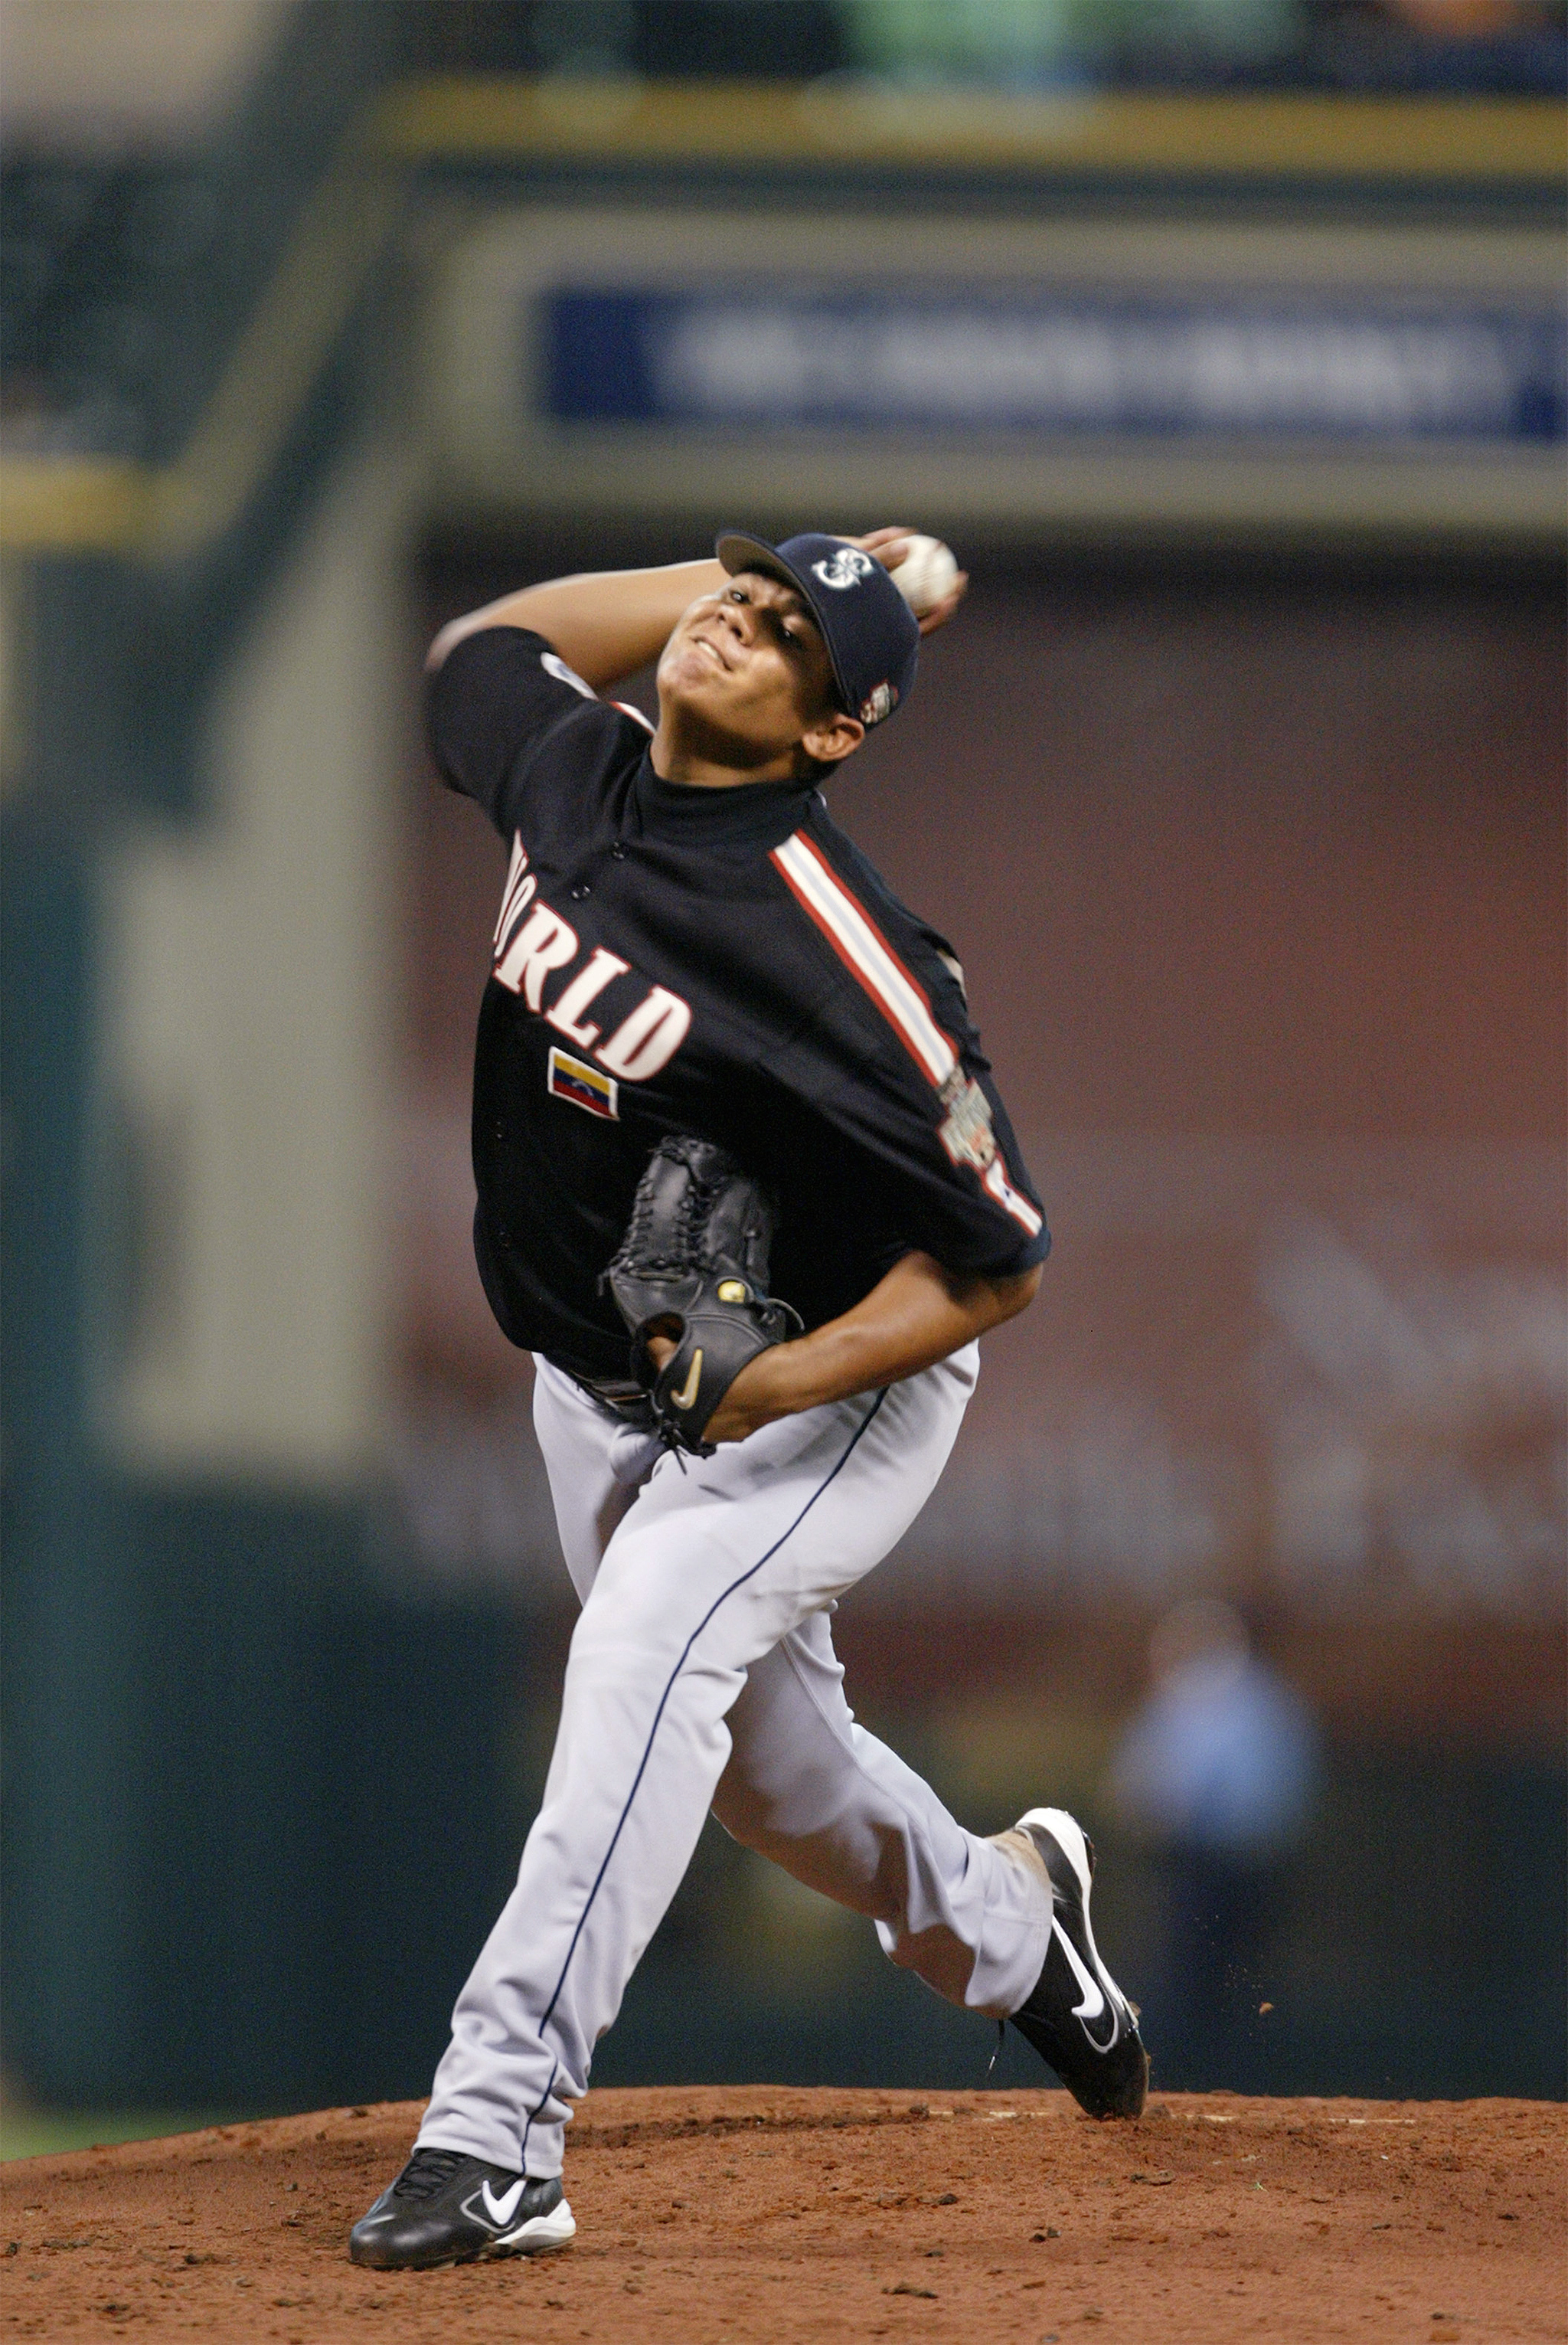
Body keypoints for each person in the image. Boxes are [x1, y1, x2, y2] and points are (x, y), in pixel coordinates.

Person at [351, 527, 1148, 2271]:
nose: (728, 616)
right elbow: (488, 639)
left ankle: (495, 2133)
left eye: (784, 632)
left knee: (641, 1647)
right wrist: (823, 569)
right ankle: (1017, 1931)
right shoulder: (566, 766)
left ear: (831, 730)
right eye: (734, 587)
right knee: (782, 1788)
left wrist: (782, 1376)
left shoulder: (842, 955)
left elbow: (1000, 1249)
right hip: (596, 1378)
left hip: (830, 1384)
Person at [1109, 1598, 1318, 2088]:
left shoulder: (1251, 1704)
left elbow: (1153, 1791)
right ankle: (1184, 2082)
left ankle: (1230, 2084)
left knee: (1230, 1987)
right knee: (1196, 1984)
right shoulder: (1195, 1703)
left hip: (1235, 1868)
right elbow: (1140, 1791)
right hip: (1197, 1865)